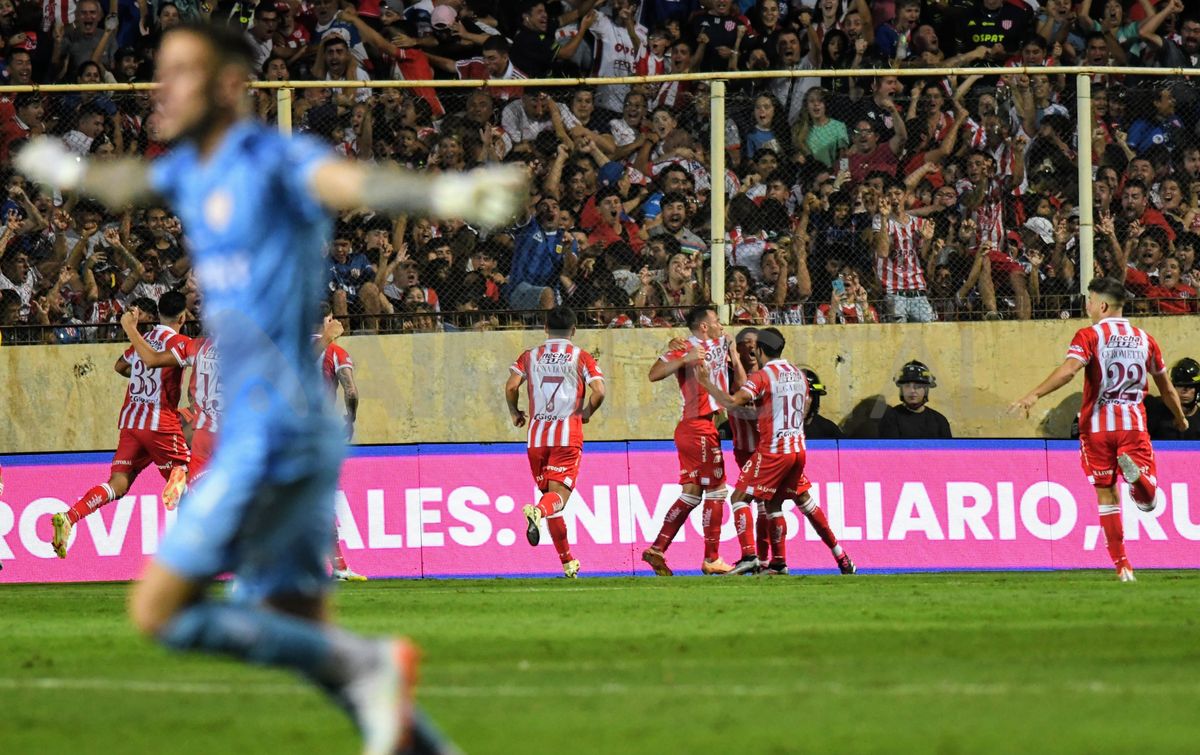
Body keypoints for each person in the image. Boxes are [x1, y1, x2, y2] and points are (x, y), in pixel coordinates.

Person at [18, 23, 524, 752]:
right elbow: (131, 180)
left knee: (162, 608)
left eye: (182, 73)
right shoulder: (193, 167)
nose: (164, 88)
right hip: (276, 427)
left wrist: (445, 192)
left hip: (276, 427)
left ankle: (367, 663)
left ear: (228, 86)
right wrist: (69, 173)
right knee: (300, 628)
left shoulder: (273, 158)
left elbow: (350, 181)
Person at [1009, 278, 1188, 582]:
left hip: (1096, 428)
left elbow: (1068, 371)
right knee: (1148, 501)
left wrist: (1034, 394)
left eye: (1090, 301)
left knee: (1107, 496)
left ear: (1102, 305)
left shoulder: (1089, 335)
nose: (1088, 307)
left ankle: (1123, 567)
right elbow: (1166, 387)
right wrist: (1181, 418)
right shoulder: (1145, 339)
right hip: (1132, 424)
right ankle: (1139, 481)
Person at [696, 328, 855, 576]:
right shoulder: (798, 374)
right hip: (798, 448)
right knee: (786, 504)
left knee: (739, 499)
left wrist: (706, 383)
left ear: (759, 350)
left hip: (773, 451)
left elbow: (731, 402)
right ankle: (831, 558)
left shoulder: (763, 376)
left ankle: (749, 556)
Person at [51, 295, 191, 559]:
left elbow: (120, 366)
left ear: (159, 314)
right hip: (159, 420)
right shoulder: (181, 343)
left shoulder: (144, 340)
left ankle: (69, 517)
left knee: (118, 484)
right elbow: (156, 362)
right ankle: (178, 479)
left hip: (131, 421)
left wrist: (140, 374)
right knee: (187, 473)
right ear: (183, 318)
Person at [642, 305, 744, 577]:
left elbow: (738, 369)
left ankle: (658, 548)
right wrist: (684, 358)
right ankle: (711, 558)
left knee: (691, 493)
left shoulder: (724, 342)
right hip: (698, 426)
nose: (722, 325)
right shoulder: (685, 347)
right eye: (717, 321)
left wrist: (733, 350)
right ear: (703, 326)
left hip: (698, 428)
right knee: (717, 491)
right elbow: (654, 374)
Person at [507, 307, 606, 579]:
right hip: (566, 437)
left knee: (552, 501)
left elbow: (511, 386)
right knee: (556, 500)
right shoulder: (581, 356)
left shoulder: (529, 356)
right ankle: (535, 511)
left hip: (537, 439)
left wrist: (515, 412)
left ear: (545, 328)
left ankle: (567, 562)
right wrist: (587, 412)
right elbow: (599, 391)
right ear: (573, 330)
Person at [317, 304, 366, 583]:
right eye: (331, 318)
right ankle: (338, 567)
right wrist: (351, 417)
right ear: (326, 321)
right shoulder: (334, 351)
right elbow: (351, 390)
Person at [878, 360, 953, 439]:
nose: (912, 391)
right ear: (901, 389)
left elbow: (948, 450)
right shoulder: (890, 418)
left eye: (918, 386)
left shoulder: (939, 420)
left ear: (926, 390)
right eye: (907, 386)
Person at [1147, 358, 1200, 440]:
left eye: (1190, 386)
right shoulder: (1156, 409)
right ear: (1172, 387)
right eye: (1179, 385)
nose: (1184, 391)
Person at [802, 368, 843, 439]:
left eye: (809, 395)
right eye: (799, 395)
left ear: (815, 399)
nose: (804, 401)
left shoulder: (828, 430)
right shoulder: (780, 429)